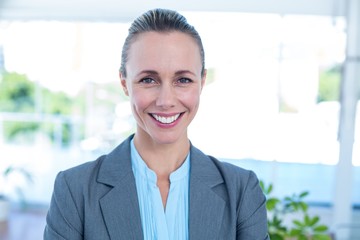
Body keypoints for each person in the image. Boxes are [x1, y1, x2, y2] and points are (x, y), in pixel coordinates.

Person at [44, 8, 269, 240]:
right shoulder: (74, 191)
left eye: (183, 80)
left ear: (201, 82)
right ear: (124, 83)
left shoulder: (241, 191)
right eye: (148, 80)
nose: (166, 101)